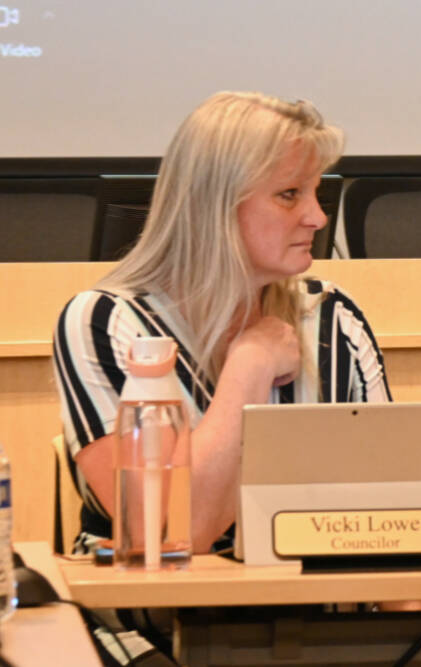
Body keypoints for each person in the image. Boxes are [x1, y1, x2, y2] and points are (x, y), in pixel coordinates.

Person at [52, 91, 391, 555]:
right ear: (213, 205)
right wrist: (250, 364)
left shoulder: (333, 316)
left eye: (316, 193)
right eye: (290, 194)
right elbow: (171, 532)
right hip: (164, 623)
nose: (317, 217)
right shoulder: (105, 323)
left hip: (321, 615)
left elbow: (391, 517)